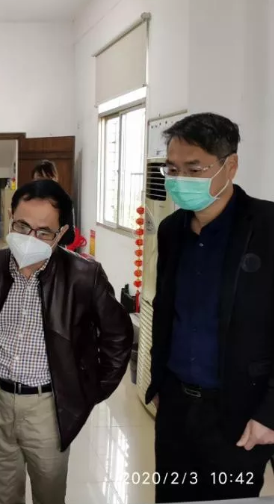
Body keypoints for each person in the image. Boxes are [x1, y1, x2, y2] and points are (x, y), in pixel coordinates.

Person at [0, 180, 132, 504]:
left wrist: (89, 391)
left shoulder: (84, 276)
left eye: (43, 232)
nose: (30, 238)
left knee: (49, 493)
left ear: (62, 232)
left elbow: (118, 335)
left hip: (48, 405)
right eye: (22, 226)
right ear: (10, 217)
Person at [147, 112, 274, 502]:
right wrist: (158, 382)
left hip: (239, 412)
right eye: (172, 169)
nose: (180, 179)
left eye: (194, 168)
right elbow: (165, 311)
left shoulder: (268, 228)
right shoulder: (172, 230)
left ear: (230, 166)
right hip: (176, 406)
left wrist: (269, 413)